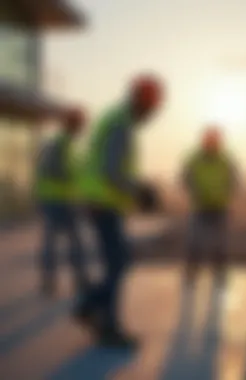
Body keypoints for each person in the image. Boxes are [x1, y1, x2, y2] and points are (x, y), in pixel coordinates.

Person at [74, 73, 164, 347]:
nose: (152, 115)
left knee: (120, 262)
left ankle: (89, 307)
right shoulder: (120, 125)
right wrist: (141, 191)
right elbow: (112, 170)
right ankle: (107, 327)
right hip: (103, 203)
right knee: (117, 263)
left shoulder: (117, 119)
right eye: (151, 108)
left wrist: (138, 189)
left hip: (103, 201)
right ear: (141, 102)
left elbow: (112, 167)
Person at [35, 107, 89, 296]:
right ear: (72, 124)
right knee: (66, 241)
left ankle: (67, 279)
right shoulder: (59, 144)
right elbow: (54, 170)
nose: (82, 129)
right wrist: (74, 177)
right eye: (80, 124)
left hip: (61, 199)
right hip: (56, 200)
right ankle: (72, 279)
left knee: (61, 241)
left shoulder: (66, 144)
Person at [181, 127, 238, 287]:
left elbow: (234, 180)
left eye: (215, 141)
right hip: (200, 208)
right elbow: (185, 177)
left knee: (220, 244)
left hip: (219, 208)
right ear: (204, 142)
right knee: (195, 242)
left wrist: (226, 194)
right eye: (209, 141)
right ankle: (191, 274)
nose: (212, 144)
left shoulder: (225, 160)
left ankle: (220, 275)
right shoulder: (194, 159)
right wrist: (195, 190)